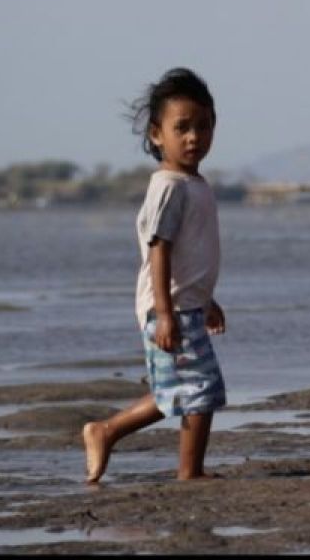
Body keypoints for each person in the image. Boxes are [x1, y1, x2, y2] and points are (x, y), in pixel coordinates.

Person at [82, 68, 226, 483]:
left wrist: (206, 299)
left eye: (202, 126)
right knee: (198, 390)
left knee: (182, 391)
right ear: (156, 134)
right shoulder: (168, 187)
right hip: (170, 308)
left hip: (187, 304)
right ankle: (189, 472)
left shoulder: (194, 183)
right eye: (181, 128)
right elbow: (158, 250)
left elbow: (190, 256)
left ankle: (106, 431)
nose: (193, 137)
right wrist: (164, 312)